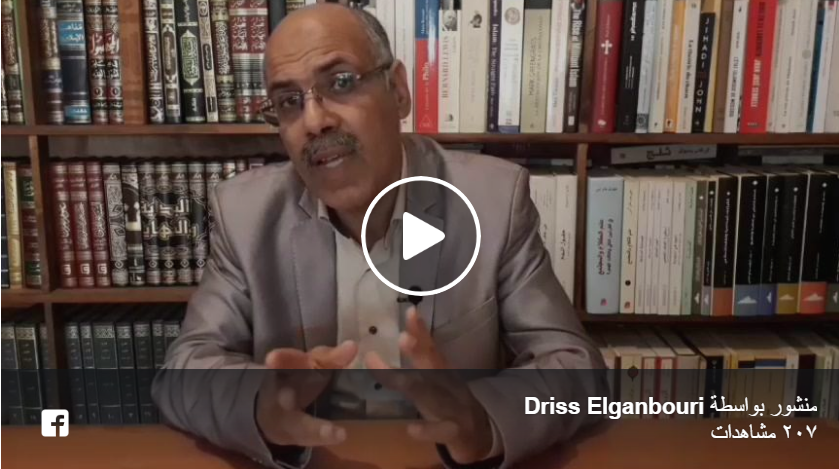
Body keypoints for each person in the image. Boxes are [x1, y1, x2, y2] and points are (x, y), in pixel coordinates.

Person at [151, 4, 606, 469]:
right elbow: (183, 372)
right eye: (288, 102)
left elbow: (575, 368)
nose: (315, 121)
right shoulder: (245, 215)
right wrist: (260, 408)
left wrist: (483, 421)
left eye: (341, 82)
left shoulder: (491, 201)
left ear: (399, 91)